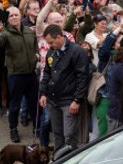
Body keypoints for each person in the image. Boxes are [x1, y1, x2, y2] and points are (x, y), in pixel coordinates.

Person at [0, 5, 38, 143]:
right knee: (14, 106)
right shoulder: (5, 33)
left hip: (31, 74)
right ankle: (13, 129)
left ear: (21, 16)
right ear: (8, 18)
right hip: (16, 75)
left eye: (16, 15)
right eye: (11, 15)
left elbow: (35, 46)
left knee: (34, 104)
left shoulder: (29, 31)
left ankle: (37, 128)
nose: (14, 17)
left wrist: (36, 55)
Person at [38, 23, 90, 152]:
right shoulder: (52, 51)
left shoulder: (77, 52)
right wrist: (43, 93)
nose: (49, 46)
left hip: (69, 102)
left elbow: (82, 78)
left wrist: (77, 100)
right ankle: (57, 163)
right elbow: (47, 73)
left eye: (51, 42)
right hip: (53, 100)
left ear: (60, 37)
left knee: (69, 137)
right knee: (57, 134)